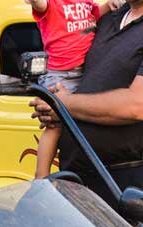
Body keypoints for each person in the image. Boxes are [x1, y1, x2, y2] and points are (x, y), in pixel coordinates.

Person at [30, 0, 143, 227]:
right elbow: (64, 36)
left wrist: (62, 104)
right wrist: (52, 101)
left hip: (122, 186)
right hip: (76, 178)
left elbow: (137, 105)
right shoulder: (112, 17)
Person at [25, 0, 122, 178]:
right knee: (54, 126)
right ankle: (41, 175)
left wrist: (108, 6)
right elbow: (40, 6)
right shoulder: (53, 4)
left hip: (84, 71)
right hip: (60, 73)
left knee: (81, 118)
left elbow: (93, 17)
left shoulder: (85, 2)